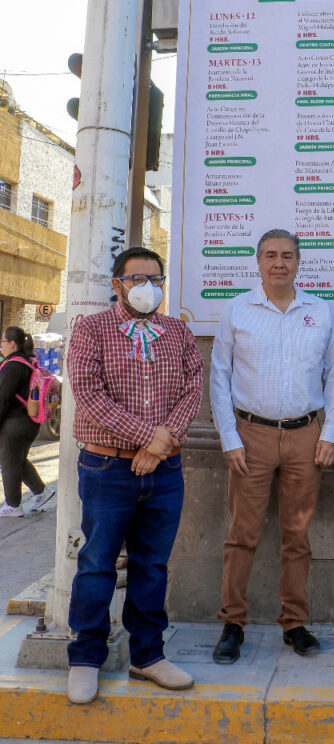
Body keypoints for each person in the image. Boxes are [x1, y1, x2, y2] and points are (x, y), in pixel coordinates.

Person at [65, 247, 204, 705]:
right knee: (97, 562)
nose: (148, 287)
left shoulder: (177, 331)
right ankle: (86, 658)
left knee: (152, 565)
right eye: (137, 279)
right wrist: (150, 437)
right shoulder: (91, 329)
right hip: (107, 467)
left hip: (164, 471)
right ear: (117, 284)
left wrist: (161, 445)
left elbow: (192, 387)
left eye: (156, 279)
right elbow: (89, 394)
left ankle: (148, 656)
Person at [210, 229, 334, 663]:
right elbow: (219, 377)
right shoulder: (237, 310)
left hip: (306, 436)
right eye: (270, 255)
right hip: (251, 435)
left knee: (297, 533)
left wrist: (330, 433)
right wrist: (229, 437)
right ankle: (233, 623)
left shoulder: (320, 311)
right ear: (258, 262)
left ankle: (295, 623)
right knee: (242, 534)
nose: (279, 263)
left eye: (287, 255)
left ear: (299, 262)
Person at [0, 326, 55, 517]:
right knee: (18, 460)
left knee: (8, 462)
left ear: (11, 343)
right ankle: (41, 491)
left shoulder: (12, 366)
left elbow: (3, 397)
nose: (1, 346)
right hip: (30, 422)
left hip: (14, 424)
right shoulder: (29, 360)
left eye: (2, 341)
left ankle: (13, 505)